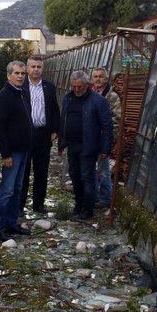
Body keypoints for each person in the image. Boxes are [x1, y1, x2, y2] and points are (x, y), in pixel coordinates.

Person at [58, 70, 112, 220]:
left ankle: (88, 210)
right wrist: (61, 143)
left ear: (87, 85)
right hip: (72, 144)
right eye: (73, 86)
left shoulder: (98, 101)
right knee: (75, 175)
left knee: (87, 177)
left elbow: (107, 126)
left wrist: (106, 148)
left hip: (89, 145)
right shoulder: (68, 98)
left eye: (79, 87)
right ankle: (79, 204)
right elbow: (63, 120)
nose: (76, 89)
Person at [0, 61, 33, 242]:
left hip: (24, 150)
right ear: (8, 75)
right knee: (7, 190)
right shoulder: (4, 96)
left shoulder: (23, 93)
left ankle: (11, 223)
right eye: (16, 73)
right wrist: (5, 154)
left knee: (17, 188)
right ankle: (0, 227)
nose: (20, 76)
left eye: (23, 73)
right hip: (12, 152)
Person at [19, 55, 60, 214]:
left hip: (43, 135)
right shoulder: (21, 87)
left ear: (43, 69)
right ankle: (20, 205)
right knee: (23, 171)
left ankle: (38, 204)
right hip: (25, 135)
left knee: (41, 171)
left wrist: (55, 130)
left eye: (39, 67)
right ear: (27, 68)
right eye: (33, 66)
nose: (36, 69)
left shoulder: (49, 87)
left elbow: (55, 109)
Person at [91, 68, 122, 208]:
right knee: (90, 169)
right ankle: (93, 196)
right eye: (95, 76)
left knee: (103, 170)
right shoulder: (89, 94)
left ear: (106, 78)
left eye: (100, 77)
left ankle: (105, 199)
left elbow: (117, 119)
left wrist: (109, 139)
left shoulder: (112, 97)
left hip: (103, 139)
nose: (98, 79)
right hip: (89, 139)